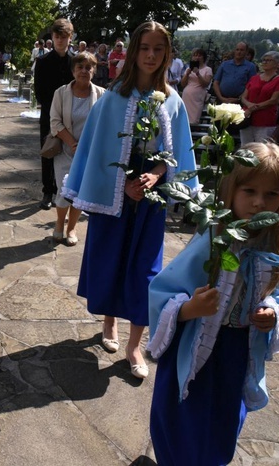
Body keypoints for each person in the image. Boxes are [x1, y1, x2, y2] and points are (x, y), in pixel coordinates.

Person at [147, 142, 279, 465]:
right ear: (230, 189)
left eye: (272, 194)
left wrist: (273, 312)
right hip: (193, 349)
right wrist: (189, 308)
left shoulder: (274, 247)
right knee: (181, 421)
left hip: (236, 352)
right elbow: (163, 291)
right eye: (249, 190)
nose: (259, 202)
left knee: (222, 421)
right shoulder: (211, 240)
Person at [62, 21, 198, 380]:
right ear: (133, 51)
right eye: (144, 48)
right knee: (112, 260)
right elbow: (97, 151)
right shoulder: (111, 100)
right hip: (115, 196)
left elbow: (176, 151)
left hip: (151, 199)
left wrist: (156, 174)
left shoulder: (173, 101)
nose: (151, 56)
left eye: (158, 49)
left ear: (167, 54)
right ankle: (110, 323)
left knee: (145, 270)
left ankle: (135, 343)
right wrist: (121, 184)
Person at [49, 52, 105, 246]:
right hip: (66, 150)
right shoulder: (61, 93)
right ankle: (59, 222)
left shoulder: (102, 95)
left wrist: (87, 146)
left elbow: (105, 124)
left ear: (94, 71)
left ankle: (71, 227)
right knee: (64, 190)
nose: (83, 71)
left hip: (89, 153)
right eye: (80, 67)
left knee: (80, 192)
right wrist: (73, 143)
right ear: (73, 70)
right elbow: (54, 121)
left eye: (88, 67)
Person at [34, 18, 75, 210]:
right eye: (57, 37)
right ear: (52, 37)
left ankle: (66, 189)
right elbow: (39, 92)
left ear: (70, 38)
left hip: (72, 115)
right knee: (49, 151)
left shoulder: (75, 62)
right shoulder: (42, 62)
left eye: (64, 37)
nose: (60, 40)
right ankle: (47, 191)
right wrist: (55, 111)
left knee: (70, 153)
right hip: (50, 114)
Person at [240, 51, 279, 144]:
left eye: (268, 60)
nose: (265, 62)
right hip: (247, 118)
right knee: (245, 147)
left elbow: (273, 100)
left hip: (265, 120)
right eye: (263, 60)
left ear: (277, 63)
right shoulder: (254, 78)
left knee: (262, 149)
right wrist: (249, 105)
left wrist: (252, 108)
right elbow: (243, 96)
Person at [180, 48, 213, 124]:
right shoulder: (188, 69)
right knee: (184, 120)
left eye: (199, 55)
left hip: (197, 98)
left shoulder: (208, 69)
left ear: (203, 58)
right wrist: (187, 74)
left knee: (194, 120)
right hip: (186, 97)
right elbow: (182, 84)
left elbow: (205, 84)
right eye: (195, 55)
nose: (197, 57)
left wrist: (198, 74)